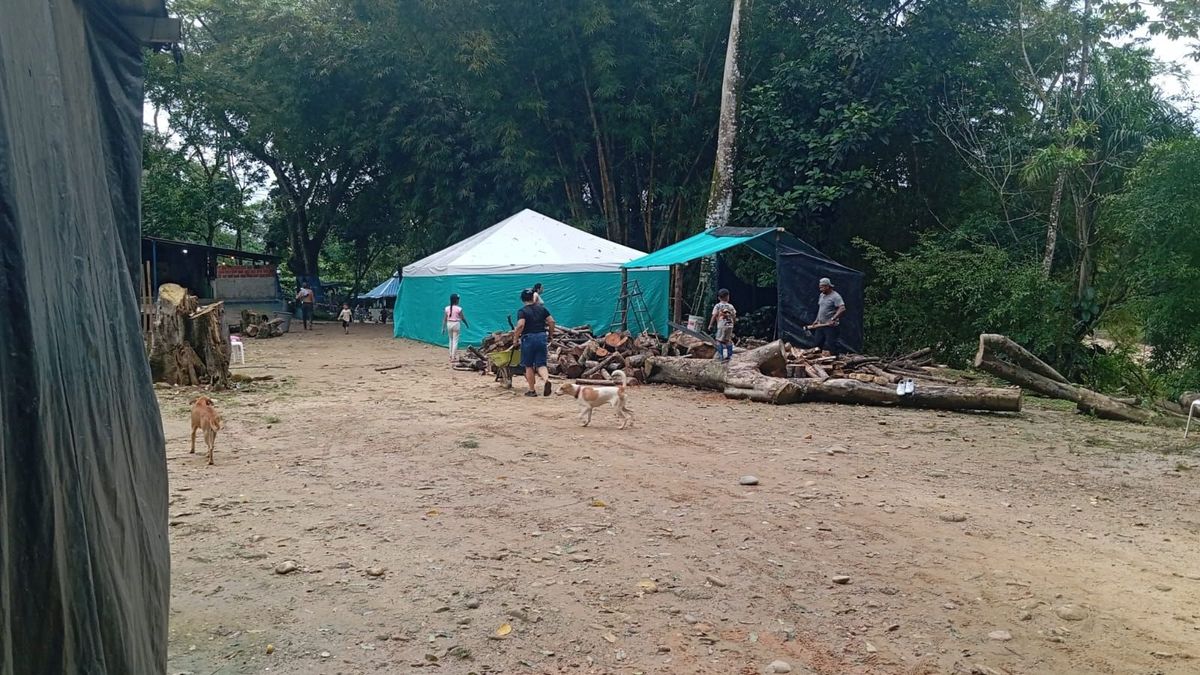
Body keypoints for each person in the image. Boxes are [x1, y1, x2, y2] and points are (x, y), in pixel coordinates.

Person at [512, 288, 555, 397]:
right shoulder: (542, 309)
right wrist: (550, 334)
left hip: (529, 338)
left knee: (528, 365)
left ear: (522, 299)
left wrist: (515, 338)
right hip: (541, 337)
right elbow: (551, 321)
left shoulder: (522, 311)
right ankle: (546, 380)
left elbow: (521, 325)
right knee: (541, 364)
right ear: (533, 297)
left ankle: (532, 390)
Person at [807, 277, 845, 354]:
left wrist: (833, 318)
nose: (820, 289)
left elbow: (842, 308)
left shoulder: (835, 296)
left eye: (822, 287)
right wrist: (817, 320)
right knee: (817, 345)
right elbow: (821, 309)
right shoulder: (821, 295)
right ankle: (818, 362)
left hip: (830, 327)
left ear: (827, 286)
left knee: (831, 346)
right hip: (821, 325)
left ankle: (835, 362)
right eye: (820, 287)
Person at [708, 288, 737, 361]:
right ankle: (729, 356)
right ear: (728, 297)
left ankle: (720, 356)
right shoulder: (731, 306)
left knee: (719, 340)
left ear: (719, 298)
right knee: (728, 340)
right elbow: (734, 316)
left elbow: (714, 315)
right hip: (730, 325)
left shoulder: (718, 306)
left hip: (722, 326)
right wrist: (734, 323)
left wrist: (710, 325)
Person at [441, 293, 470, 364]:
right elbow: (462, 318)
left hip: (449, 324)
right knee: (455, 341)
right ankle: (453, 357)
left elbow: (444, 319)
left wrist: (443, 328)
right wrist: (466, 324)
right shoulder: (459, 309)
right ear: (456, 300)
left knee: (450, 340)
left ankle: (451, 356)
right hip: (456, 324)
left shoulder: (447, 308)